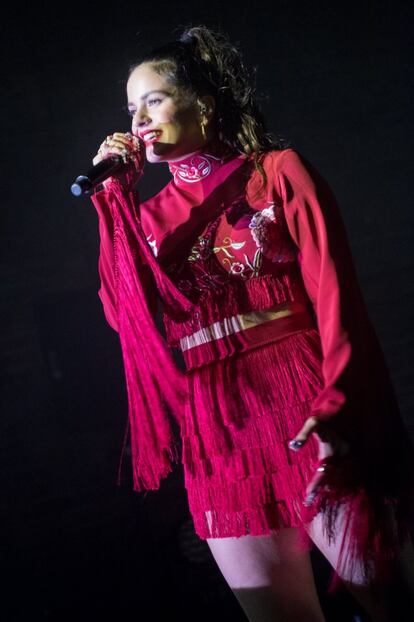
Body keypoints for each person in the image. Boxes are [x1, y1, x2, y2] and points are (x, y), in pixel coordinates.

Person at [89, 25, 414, 622]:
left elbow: (335, 294)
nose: (138, 119)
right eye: (130, 107)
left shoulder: (277, 172)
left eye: (153, 99)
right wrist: (115, 206)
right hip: (216, 414)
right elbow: (123, 318)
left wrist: (338, 401)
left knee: (392, 598)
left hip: (301, 391)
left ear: (204, 105)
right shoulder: (148, 215)